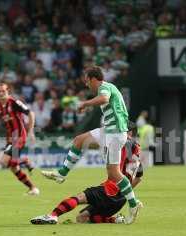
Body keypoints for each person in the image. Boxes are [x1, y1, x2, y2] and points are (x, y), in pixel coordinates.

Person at [41, 66, 142, 224]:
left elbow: (104, 99)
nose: (86, 84)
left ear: (94, 79)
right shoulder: (107, 88)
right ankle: (62, 174)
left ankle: (133, 204)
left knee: (114, 173)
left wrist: (84, 103)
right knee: (79, 140)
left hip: (115, 133)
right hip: (109, 130)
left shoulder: (105, 87)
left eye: (87, 81)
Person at [31, 123, 143, 225]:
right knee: (81, 218)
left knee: (79, 198)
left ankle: (52, 216)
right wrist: (125, 192)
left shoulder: (123, 141)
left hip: (109, 190)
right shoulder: (137, 151)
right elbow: (138, 178)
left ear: (129, 132)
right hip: (121, 199)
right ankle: (115, 220)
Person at [0, 83, 39, 195]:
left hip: (19, 136)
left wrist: (31, 131)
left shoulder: (14, 102)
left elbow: (31, 113)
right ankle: (33, 188)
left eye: (3, 91)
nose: (1, 93)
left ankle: (26, 161)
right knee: (12, 167)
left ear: (8, 91)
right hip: (10, 138)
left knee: (6, 162)